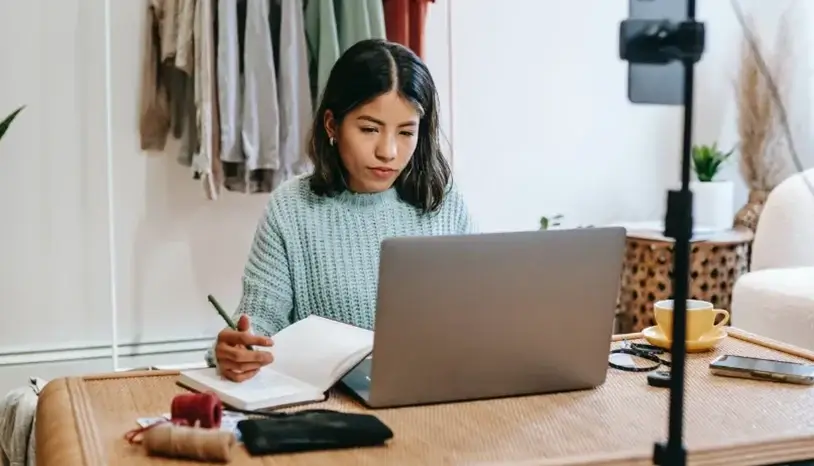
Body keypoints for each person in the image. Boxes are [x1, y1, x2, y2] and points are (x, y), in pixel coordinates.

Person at [207, 39, 476, 382]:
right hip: (331, 409)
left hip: (437, 394)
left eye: (407, 132)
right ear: (332, 125)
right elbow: (257, 324)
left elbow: (478, 316)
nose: (388, 151)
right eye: (369, 129)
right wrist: (236, 350)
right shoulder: (291, 209)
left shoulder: (444, 201)